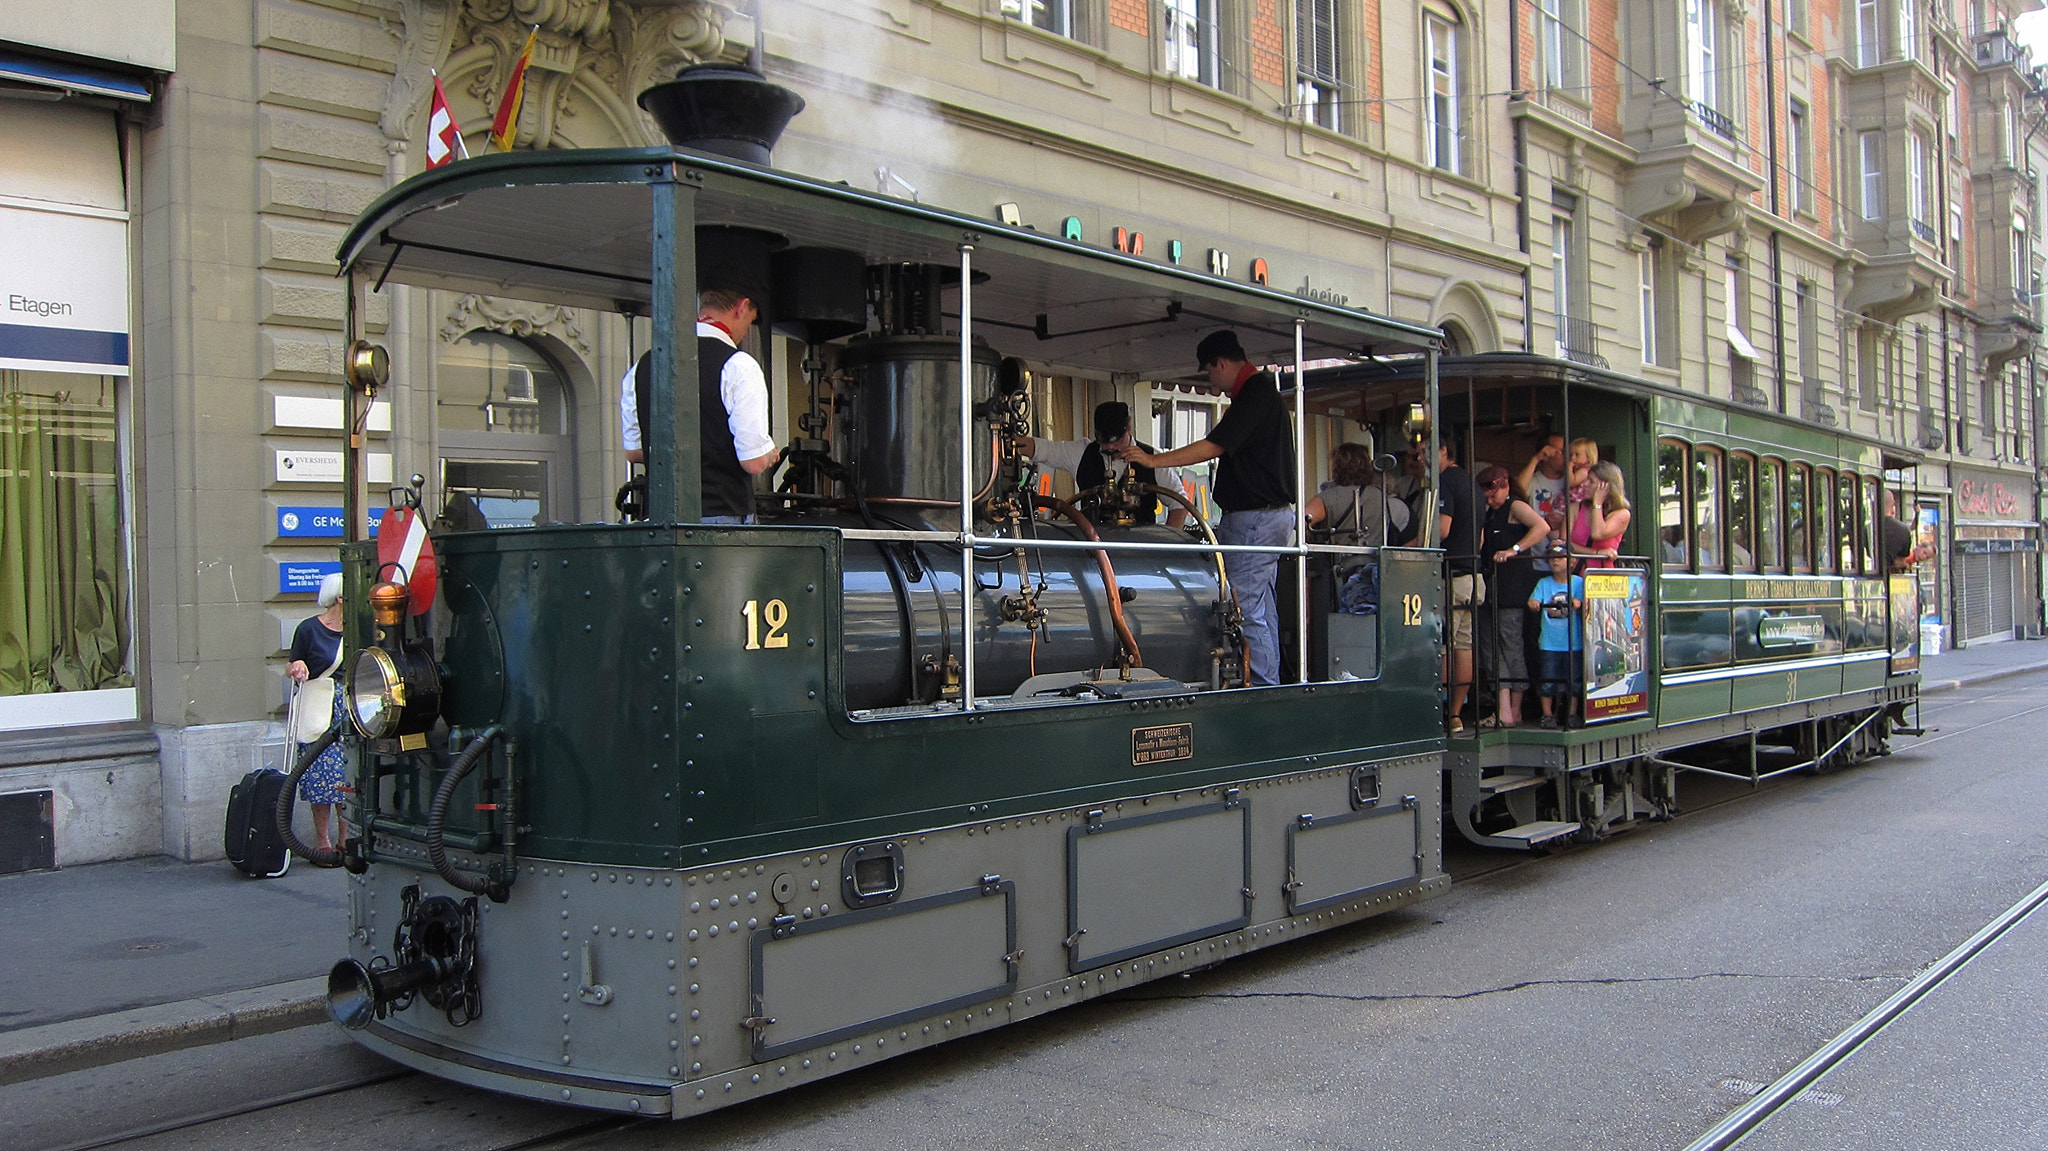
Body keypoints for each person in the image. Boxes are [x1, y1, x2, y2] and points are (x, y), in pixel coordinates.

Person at [1114, 330, 1294, 685]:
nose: (1212, 383)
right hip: (1265, 516)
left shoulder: (1255, 394)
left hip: (1253, 517)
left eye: (1210, 373)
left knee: (1243, 607)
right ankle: (1266, 682)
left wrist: (1154, 459)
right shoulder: (1261, 394)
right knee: (1260, 605)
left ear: (1222, 364)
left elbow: (1214, 446)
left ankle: (1261, 688)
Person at [619, 281, 780, 523]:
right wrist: (768, 453)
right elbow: (753, 462)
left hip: (660, 520)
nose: (747, 330)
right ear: (741, 307)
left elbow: (635, 452)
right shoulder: (739, 365)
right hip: (722, 515)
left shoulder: (642, 367)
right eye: (751, 320)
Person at [1015, 401, 1189, 528]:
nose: (1111, 447)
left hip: (1139, 556)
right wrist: (1007, 443)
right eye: (1104, 443)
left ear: (1129, 429)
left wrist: (1166, 547)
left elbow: (1180, 503)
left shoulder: (1152, 458)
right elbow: (1044, 449)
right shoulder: (1083, 452)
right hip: (1094, 552)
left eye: (1116, 442)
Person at [1476, 465, 1549, 726]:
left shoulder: (1516, 506)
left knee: (1511, 644)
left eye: (1493, 494)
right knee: (1490, 647)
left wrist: (1515, 549)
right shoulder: (1489, 513)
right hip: (1490, 587)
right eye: (1486, 495)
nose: (1490, 500)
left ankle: (1515, 708)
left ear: (1505, 487)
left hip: (1513, 586)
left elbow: (1542, 527)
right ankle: (1502, 707)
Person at [286, 572, 348, 851]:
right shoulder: (309, 629)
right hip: (319, 706)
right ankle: (322, 839)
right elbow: (293, 663)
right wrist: (298, 668)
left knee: (349, 775)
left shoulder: (360, 628)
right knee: (320, 775)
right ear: (339, 598)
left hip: (351, 705)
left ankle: (347, 838)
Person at [1435, 439, 1484, 732]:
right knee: (1463, 647)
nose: (1420, 457)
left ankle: (1433, 714)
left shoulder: (1445, 481)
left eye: (1424, 450)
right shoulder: (1472, 484)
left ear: (1443, 450)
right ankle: (1454, 715)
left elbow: (1441, 529)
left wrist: (1412, 546)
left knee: (1439, 646)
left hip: (1452, 577)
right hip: (1474, 577)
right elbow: (1480, 539)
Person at [1305, 442, 1408, 549]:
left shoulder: (1329, 497)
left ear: (1337, 466)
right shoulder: (1379, 495)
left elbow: (1300, 520)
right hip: (1374, 560)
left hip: (1340, 560)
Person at [1528, 545, 1585, 729]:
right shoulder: (1544, 583)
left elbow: (1590, 605)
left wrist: (1580, 602)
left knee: (1574, 681)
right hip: (1549, 642)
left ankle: (1571, 713)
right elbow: (1532, 600)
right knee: (1547, 680)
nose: (1554, 561)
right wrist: (1534, 602)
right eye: (1551, 558)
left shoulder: (1579, 583)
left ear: (1572, 561)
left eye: (1560, 557)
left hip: (1573, 642)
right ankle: (1547, 714)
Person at [1568, 460, 1633, 565]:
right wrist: (1595, 553)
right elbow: (1563, 543)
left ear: (1606, 486)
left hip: (1602, 576)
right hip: (1575, 574)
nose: (1585, 484)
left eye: (1591, 481)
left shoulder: (1622, 514)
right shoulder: (1576, 508)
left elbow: (1597, 533)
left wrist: (1597, 502)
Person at [1515, 434, 1570, 539]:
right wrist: (1536, 458)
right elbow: (1518, 491)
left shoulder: (1572, 481)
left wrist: (1564, 521)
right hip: (1536, 551)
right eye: (1562, 451)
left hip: (1565, 550)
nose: (1567, 456)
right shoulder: (1534, 481)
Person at [1881, 490, 1932, 572]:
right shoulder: (1908, 547)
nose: (1923, 557)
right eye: (1924, 553)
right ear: (1920, 546)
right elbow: (1911, 528)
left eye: (1927, 557)